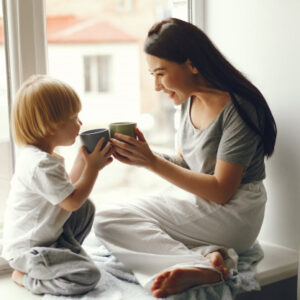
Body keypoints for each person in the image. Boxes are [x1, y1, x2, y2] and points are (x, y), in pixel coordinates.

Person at [94, 17, 277, 298]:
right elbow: (187, 167)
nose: (156, 86)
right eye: (152, 75)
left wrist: (152, 163)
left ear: (192, 64)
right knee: (107, 216)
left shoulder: (240, 108)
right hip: (201, 204)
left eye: (160, 73)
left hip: (236, 210)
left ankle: (204, 269)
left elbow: (221, 191)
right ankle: (209, 255)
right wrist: (144, 155)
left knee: (109, 220)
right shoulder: (187, 100)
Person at [2, 75, 113, 295]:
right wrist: (93, 169)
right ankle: (25, 278)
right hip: (29, 250)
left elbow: (66, 192)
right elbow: (71, 202)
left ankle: (65, 255)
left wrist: (83, 161)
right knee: (88, 276)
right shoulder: (40, 164)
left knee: (86, 207)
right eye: (74, 117)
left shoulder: (44, 157)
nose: (80, 123)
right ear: (50, 125)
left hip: (47, 238)